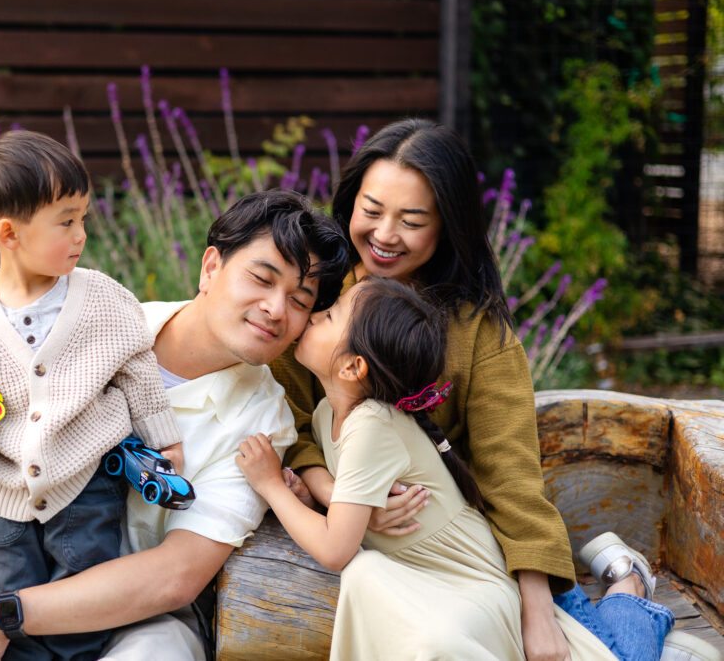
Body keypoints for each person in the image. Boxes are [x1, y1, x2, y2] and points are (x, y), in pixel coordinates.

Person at [0, 188, 350, 661]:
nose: (276, 308)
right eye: (262, 279)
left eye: (300, 299)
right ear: (210, 267)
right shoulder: (98, 321)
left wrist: (9, 616)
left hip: (141, 623)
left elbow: (174, 576)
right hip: (13, 580)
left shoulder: (265, 422)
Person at [268, 117, 683, 660]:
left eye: (411, 220)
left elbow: (509, 480)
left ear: (448, 224)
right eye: (370, 212)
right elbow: (288, 418)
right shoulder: (319, 298)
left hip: (468, 563)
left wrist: (536, 616)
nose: (384, 235)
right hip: (372, 548)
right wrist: (341, 498)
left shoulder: (479, 334)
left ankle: (627, 587)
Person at [240, 277, 673, 660]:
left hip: (473, 592)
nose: (313, 316)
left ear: (353, 366)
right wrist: (310, 494)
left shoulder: (372, 425)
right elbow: (348, 518)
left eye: (330, 315)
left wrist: (271, 486)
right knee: (367, 577)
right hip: (428, 586)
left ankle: (627, 592)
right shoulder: (325, 414)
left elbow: (335, 549)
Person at [0, 129, 184, 659]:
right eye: (66, 221)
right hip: (3, 498)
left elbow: (138, 370)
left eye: (83, 217)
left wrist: (166, 443)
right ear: (9, 234)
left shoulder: (104, 299)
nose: (81, 233)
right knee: (12, 599)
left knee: (81, 604)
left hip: (85, 486)